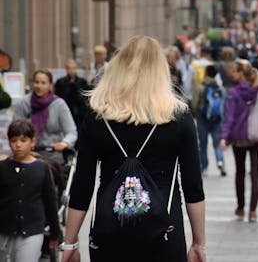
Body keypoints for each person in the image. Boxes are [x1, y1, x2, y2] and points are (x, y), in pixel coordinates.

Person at [62, 35, 206, 262]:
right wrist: (199, 243)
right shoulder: (178, 116)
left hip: (109, 230)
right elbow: (193, 186)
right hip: (165, 231)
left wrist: (69, 242)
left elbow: (82, 184)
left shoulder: (97, 116)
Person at [220, 59, 258, 223]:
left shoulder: (233, 93)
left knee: (240, 172)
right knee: (256, 172)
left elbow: (229, 117)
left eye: (235, 72)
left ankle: (241, 207)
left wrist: (225, 137)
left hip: (240, 137)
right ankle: (253, 211)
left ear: (241, 74)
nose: (232, 74)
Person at [0, 120, 61, 262]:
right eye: (14, 140)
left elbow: (50, 201)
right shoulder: (2, 168)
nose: (18, 145)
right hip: (4, 229)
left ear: (32, 141)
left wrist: (54, 233)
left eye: (23, 140)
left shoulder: (42, 168)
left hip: (32, 230)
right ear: (9, 142)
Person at [13, 70, 77, 164]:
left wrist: (64, 143)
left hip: (53, 157)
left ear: (50, 85)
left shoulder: (59, 104)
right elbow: (15, 130)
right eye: (36, 82)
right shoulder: (23, 104)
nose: (39, 86)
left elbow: (71, 132)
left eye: (43, 83)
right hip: (28, 156)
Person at [191, 65, 226, 177]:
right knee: (217, 143)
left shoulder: (200, 86)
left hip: (203, 118)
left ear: (206, 73)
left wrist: (196, 114)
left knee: (203, 143)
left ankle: (204, 167)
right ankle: (220, 161)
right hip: (217, 119)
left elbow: (194, 103)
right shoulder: (220, 88)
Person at [54, 59, 90, 127]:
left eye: (73, 68)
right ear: (66, 69)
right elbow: (58, 96)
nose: (71, 70)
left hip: (80, 114)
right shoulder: (60, 82)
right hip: (65, 110)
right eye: (69, 68)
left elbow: (85, 98)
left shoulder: (82, 82)